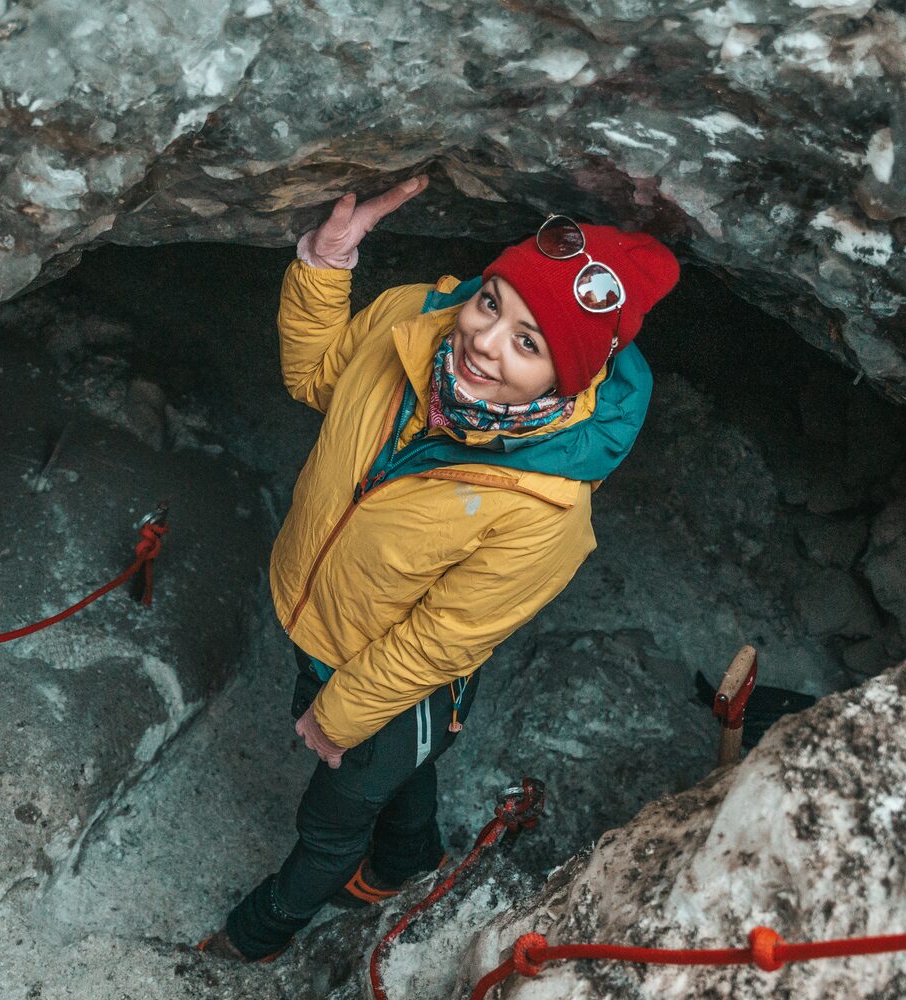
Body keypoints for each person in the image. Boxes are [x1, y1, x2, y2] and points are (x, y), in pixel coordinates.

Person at [200, 177, 680, 962]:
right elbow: (317, 378)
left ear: (574, 377)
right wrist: (326, 265)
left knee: (329, 821)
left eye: (531, 343)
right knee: (399, 781)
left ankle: (253, 938)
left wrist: (339, 715)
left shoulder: (545, 512)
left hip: (403, 690)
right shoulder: (414, 323)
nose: (486, 341)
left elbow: (438, 642)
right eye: (492, 303)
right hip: (324, 626)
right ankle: (406, 860)